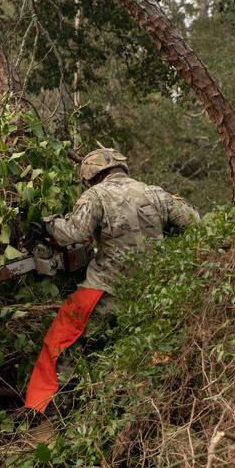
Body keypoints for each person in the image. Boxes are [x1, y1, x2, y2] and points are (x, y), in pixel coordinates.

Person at [23, 147, 199, 416]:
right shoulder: (156, 193)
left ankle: (50, 411)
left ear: (91, 175)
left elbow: (74, 231)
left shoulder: (96, 195)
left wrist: (46, 225)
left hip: (106, 289)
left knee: (63, 340)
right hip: (151, 294)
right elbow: (194, 223)